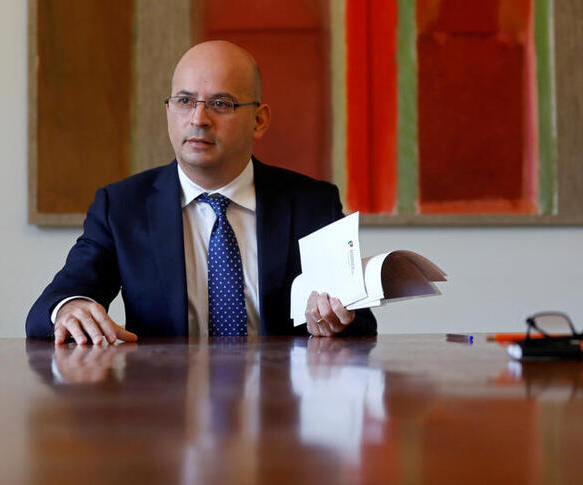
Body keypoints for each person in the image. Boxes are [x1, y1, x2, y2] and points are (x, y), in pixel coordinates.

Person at [26, 40, 376, 344]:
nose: (198, 119)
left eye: (221, 103)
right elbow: (49, 307)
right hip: (164, 407)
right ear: (168, 110)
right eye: (184, 101)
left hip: (279, 407)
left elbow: (361, 323)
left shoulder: (312, 204)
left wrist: (334, 321)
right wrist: (69, 308)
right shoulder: (121, 207)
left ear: (259, 120)